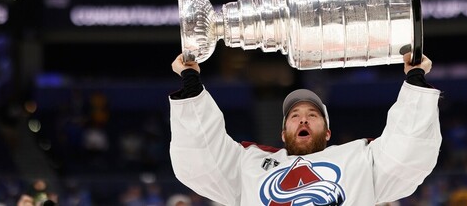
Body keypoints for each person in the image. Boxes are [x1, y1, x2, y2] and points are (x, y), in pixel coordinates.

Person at [169, 52, 441, 205]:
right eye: (294, 116)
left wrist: (415, 79)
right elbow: (202, 157)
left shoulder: (359, 158)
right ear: (283, 134)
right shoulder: (250, 164)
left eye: (312, 114)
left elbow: (406, 149)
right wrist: (191, 83)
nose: (303, 119)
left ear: (328, 132)